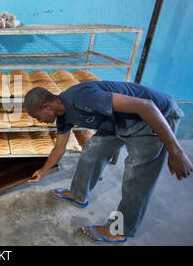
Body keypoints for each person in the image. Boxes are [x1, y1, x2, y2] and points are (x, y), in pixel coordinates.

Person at [24, 80, 192, 243]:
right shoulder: (63, 115)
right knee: (92, 151)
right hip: (118, 123)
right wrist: (43, 171)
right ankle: (78, 194)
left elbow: (146, 106)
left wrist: (175, 152)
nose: (40, 121)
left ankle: (117, 231)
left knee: (136, 179)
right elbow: (59, 148)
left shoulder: (82, 97)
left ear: (48, 107)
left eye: (38, 117)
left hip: (152, 119)